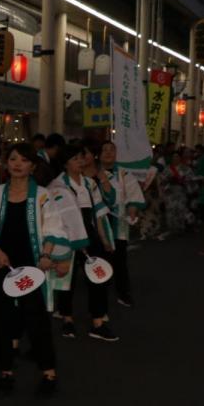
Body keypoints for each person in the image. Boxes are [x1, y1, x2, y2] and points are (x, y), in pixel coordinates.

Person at [0, 143, 69, 397]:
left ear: (32, 166)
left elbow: (54, 228)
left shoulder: (42, 195)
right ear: (6, 163)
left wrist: (45, 254)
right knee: (1, 320)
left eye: (23, 160)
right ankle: (5, 373)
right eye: (12, 159)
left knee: (37, 320)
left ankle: (49, 373)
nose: (17, 164)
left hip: (32, 267)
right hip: (2, 264)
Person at [53, 142, 118, 342]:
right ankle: (67, 318)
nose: (81, 161)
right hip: (67, 236)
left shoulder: (89, 183)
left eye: (82, 157)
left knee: (98, 277)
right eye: (75, 159)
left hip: (89, 235)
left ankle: (98, 322)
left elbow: (98, 213)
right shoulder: (57, 186)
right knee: (67, 279)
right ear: (65, 164)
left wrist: (104, 239)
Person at [98, 141, 145, 307]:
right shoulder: (93, 173)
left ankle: (123, 292)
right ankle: (98, 295)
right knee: (98, 260)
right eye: (104, 150)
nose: (108, 153)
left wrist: (133, 207)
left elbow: (134, 194)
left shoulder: (124, 174)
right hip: (98, 223)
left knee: (120, 261)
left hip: (118, 222)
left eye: (112, 150)